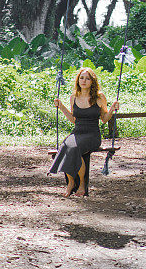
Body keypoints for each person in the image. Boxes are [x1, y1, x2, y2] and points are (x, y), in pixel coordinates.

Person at [48, 67, 119, 196]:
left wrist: (112, 109)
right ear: (78, 80)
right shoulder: (74, 97)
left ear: (92, 82)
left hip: (92, 135)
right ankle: (71, 182)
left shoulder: (99, 97)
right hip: (77, 132)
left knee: (74, 149)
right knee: (66, 146)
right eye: (81, 78)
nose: (84, 81)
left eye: (87, 78)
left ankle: (81, 184)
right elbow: (74, 120)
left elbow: (104, 119)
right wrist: (61, 106)